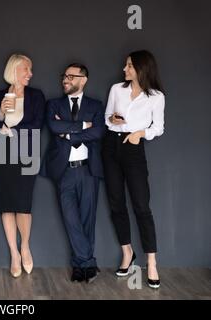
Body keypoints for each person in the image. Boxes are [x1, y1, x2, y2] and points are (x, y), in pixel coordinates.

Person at [103, 50, 165, 289]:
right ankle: (127, 253)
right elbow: (108, 117)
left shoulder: (156, 96)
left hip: (133, 148)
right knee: (116, 203)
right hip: (111, 146)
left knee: (141, 206)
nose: (124, 69)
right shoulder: (116, 89)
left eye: (129, 66)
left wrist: (141, 133)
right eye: (126, 65)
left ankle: (151, 262)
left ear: (142, 68)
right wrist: (114, 120)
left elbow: (158, 127)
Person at [41, 63, 105, 283]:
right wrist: (83, 126)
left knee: (87, 220)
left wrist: (69, 133)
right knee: (71, 219)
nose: (65, 79)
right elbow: (53, 127)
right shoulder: (54, 105)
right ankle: (88, 262)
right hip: (64, 172)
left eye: (71, 76)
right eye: (64, 76)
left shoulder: (96, 105)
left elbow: (98, 132)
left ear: (83, 79)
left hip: (89, 170)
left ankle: (80, 267)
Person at [0, 54, 45, 278]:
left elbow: (37, 125)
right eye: (26, 69)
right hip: (1, 156)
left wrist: (11, 131)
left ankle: (25, 246)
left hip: (26, 155)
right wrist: (1, 112)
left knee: (23, 205)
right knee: (6, 205)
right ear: (14, 70)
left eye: (30, 70)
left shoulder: (36, 96)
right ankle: (14, 253)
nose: (30, 74)